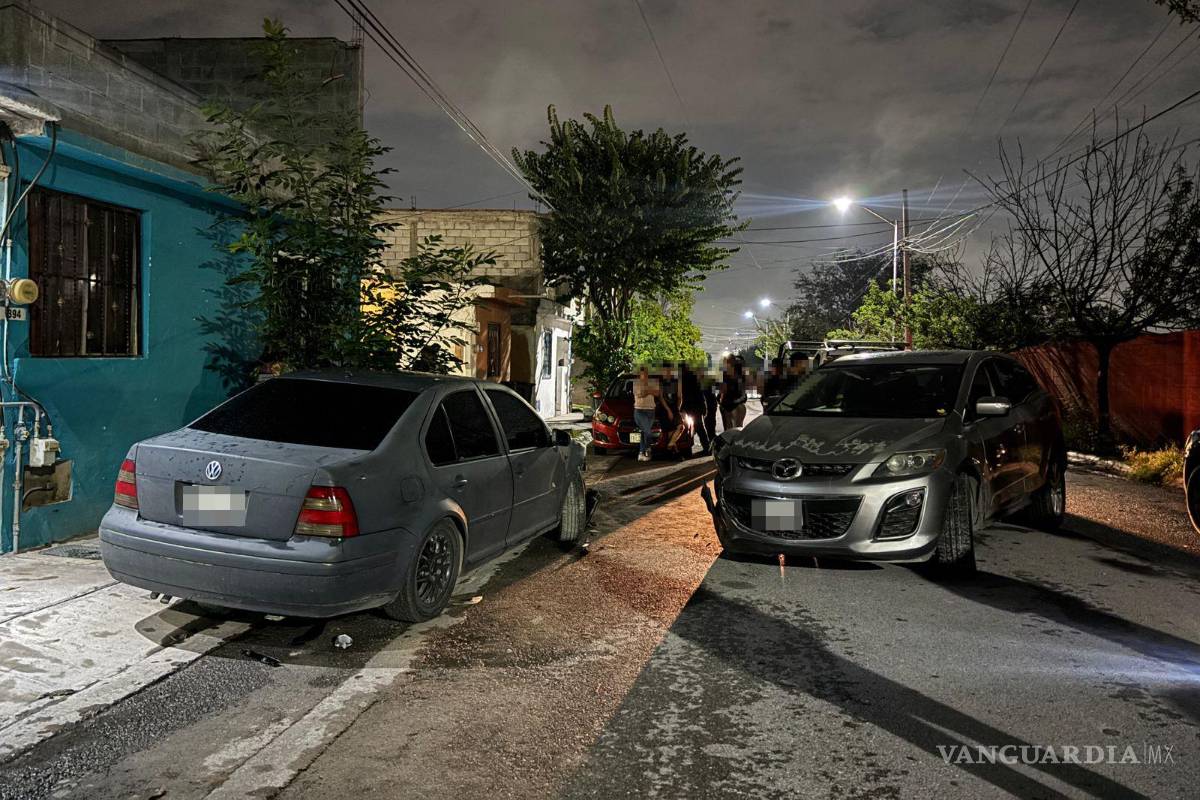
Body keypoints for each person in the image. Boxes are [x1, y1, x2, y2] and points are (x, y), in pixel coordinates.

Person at [632, 365, 663, 462]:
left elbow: (657, 393)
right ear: (640, 374)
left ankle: (641, 453)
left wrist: (648, 391)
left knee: (644, 432)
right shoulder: (636, 383)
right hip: (639, 411)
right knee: (648, 433)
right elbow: (640, 394)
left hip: (651, 410)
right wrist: (650, 391)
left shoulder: (653, 382)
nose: (645, 375)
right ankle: (648, 449)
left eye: (646, 373)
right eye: (643, 374)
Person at [679, 362, 710, 454]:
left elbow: (684, 394)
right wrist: (704, 406)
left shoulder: (683, 379)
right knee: (699, 427)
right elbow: (699, 393)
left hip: (690, 406)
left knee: (694, 427)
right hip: (696, 405)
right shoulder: (693, 377)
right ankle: (706, 447)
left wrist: (681, 407)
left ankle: (705, 448)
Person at [719, 355, 748, 430]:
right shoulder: (730, 374)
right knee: (735, 427)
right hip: (731, 403)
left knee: (732, 428)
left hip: (731, 404)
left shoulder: (727, 374)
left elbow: (723, 390)